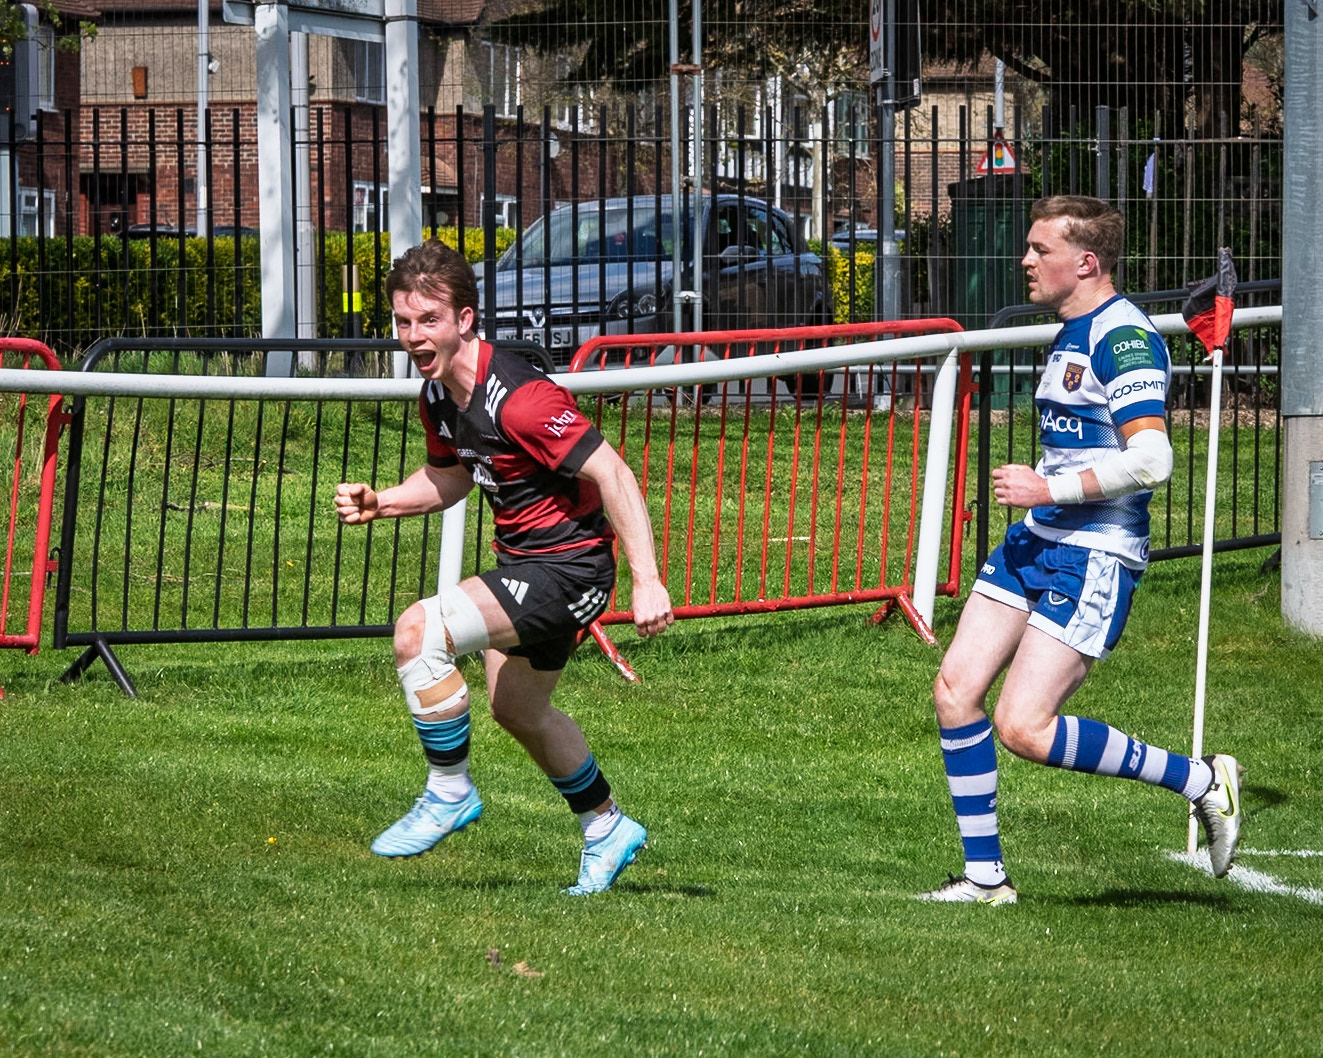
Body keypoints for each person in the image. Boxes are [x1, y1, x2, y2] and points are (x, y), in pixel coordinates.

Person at [917, 196, 1242, 905]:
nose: (1025, 261)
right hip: (1038, 539)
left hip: (1093, 551)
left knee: (1023, 728)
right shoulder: (1071, 329)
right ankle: (985, 880)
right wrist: (1045, 499)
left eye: (1041, 250)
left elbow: (1152, 460)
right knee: (955, 691)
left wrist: (1046, 488)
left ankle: (1199, 780)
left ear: (1086, 262)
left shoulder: (1121, 338)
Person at [335, 238, 673, 895]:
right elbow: (451, 477)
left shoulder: (521, 398)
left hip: (570, 569)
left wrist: (648, 578)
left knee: (418, 632)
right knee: (517, 710)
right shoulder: (438, 396)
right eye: (403, 321)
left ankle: (449, 791)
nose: (413, 335)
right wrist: (384, 502)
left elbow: (613, 472)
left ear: (465, 319)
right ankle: (606, 827)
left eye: (428, 320)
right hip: (526, 563)